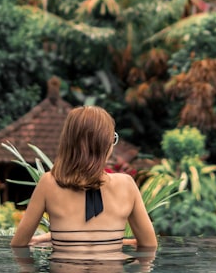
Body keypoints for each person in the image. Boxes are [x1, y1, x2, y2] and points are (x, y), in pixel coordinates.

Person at [10, 106, 157, 259]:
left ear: (68, 142)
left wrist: (52, 237)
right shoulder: (126, 185)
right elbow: (149, 246)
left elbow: (19, 244)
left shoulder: (49, 183)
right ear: (106, 142)